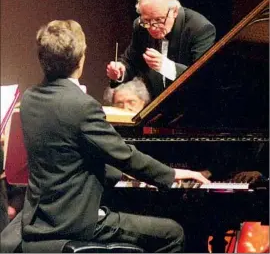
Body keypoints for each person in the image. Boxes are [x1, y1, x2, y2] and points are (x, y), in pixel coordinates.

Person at [1, 20, 210, 253]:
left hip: (38, 220)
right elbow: (126, 156)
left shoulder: (29, 100)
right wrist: (172, 174)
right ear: (81, 59)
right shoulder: (82, 105)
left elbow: (70, 156)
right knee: (173, 233)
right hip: (75, 222)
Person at [107, 0, 216, 99]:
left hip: (191, 104)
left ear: (174, 12)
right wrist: (120, 71)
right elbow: (132, 61)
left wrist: (166, 66)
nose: (152, 27)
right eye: (147, 20)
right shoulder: (140, 27)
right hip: (156, 106)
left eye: (159, 20)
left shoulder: (200, 28)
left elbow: (202, 77)